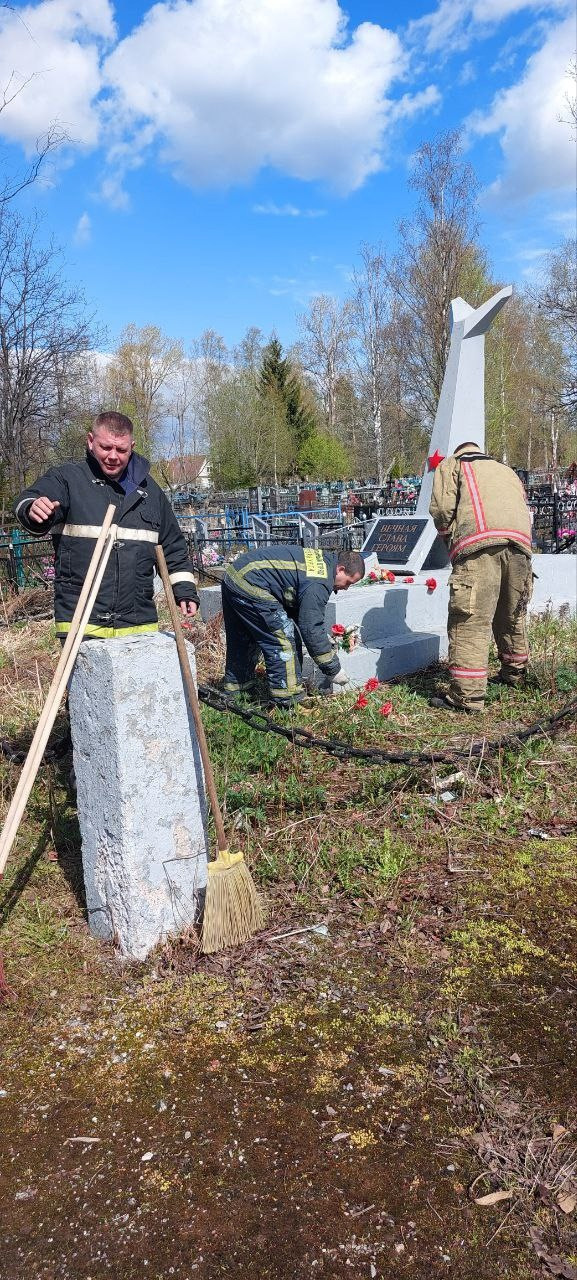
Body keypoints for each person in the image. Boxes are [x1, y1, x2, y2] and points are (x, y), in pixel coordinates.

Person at [14, 411, 200, 639]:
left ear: (132, 446)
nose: (113, 456)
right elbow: (29, 501)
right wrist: (33, 508)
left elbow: (173, 546)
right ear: (91, 441)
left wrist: (184, 590)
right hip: (82, 622)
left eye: (121, 450)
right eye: (105, 447)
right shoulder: (67, 479)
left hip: (138, 622)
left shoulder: (151, 492)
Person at [429, 441, 533, 712]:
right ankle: (515, 675)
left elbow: (441, 510)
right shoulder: (505, 470)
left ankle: (468, 696)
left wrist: (449, 540)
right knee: (512, 614)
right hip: (520, 545)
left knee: (470, 619)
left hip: (479, 545)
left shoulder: (453, 464)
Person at [222, 545, 365, 708]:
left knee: (243, 637)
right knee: (283, 641)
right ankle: (288, 704)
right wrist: (333, 669)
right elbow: (310, 627)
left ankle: (238, 693)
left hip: (236, 576)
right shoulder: (319, 582)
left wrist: (319, 639)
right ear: (340, 569)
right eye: (348, 582)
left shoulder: (324, 565)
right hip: (251, 583)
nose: (346, 588)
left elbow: (299, 612)